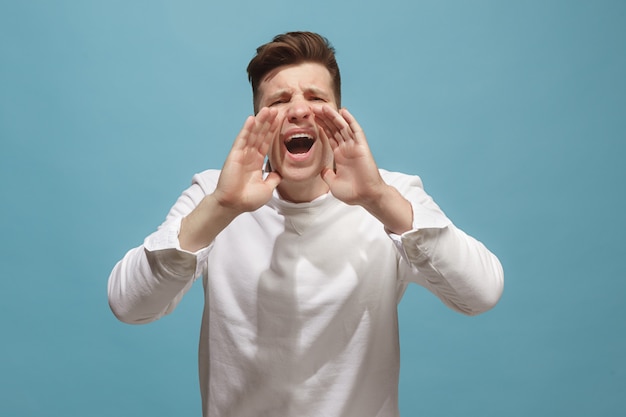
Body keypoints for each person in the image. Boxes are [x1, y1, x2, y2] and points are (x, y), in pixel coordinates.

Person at [108, 31, 504, 417]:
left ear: (339, 114)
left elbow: (481, 293)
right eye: (280, 100)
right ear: (258, 122)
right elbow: (129, 305)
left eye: (316, 98)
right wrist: (223, 207)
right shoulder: (215, 195)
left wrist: (377, 199)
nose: (299, 110)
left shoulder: (390, 195)